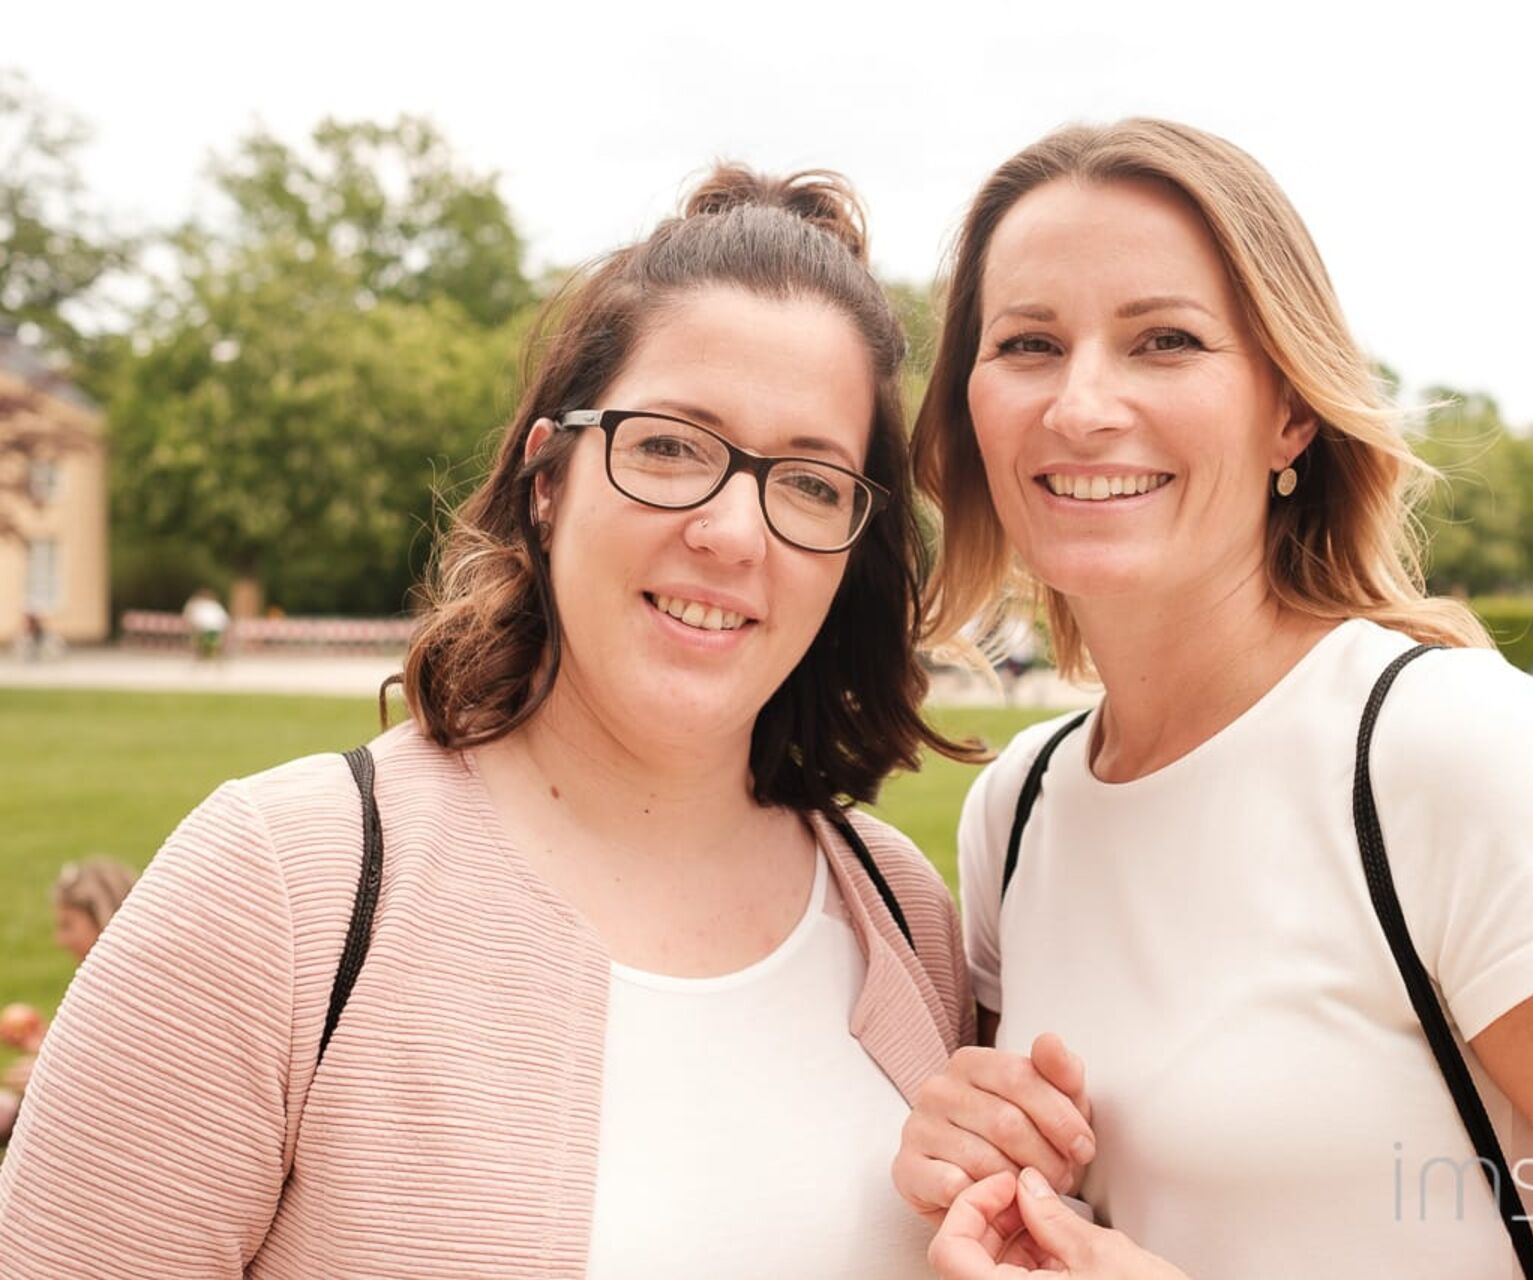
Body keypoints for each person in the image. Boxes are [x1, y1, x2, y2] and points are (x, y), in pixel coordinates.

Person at [895, 119, 1533, 1279]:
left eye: (1166, 340)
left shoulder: (1449, 751)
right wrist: (976, 1156)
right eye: (1029, 343)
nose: (1081, 404)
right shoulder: (1019, 806)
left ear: (1291, 411)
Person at [0, 167, 979, 1278]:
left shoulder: (904, 916)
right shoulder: (278, 889)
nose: (732, 531)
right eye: (668, 446)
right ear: (547, 479)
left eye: (809, 481)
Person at [0, 859, 137, 1141]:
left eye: (68, 925)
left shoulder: (130, 991)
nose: (59, 939)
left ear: (102, 919)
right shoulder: (102, 985)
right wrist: (49, 1048)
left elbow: (131, 1080)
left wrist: (53, 1076)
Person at [183, 587, 230, 659]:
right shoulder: (215, 605)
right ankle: (212, 654)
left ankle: (203, 654)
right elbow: (224, 620)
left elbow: (190, 616)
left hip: (204, 628)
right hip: (215, 629)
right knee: (212, 643)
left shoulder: (196, 604)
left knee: (200, 640)